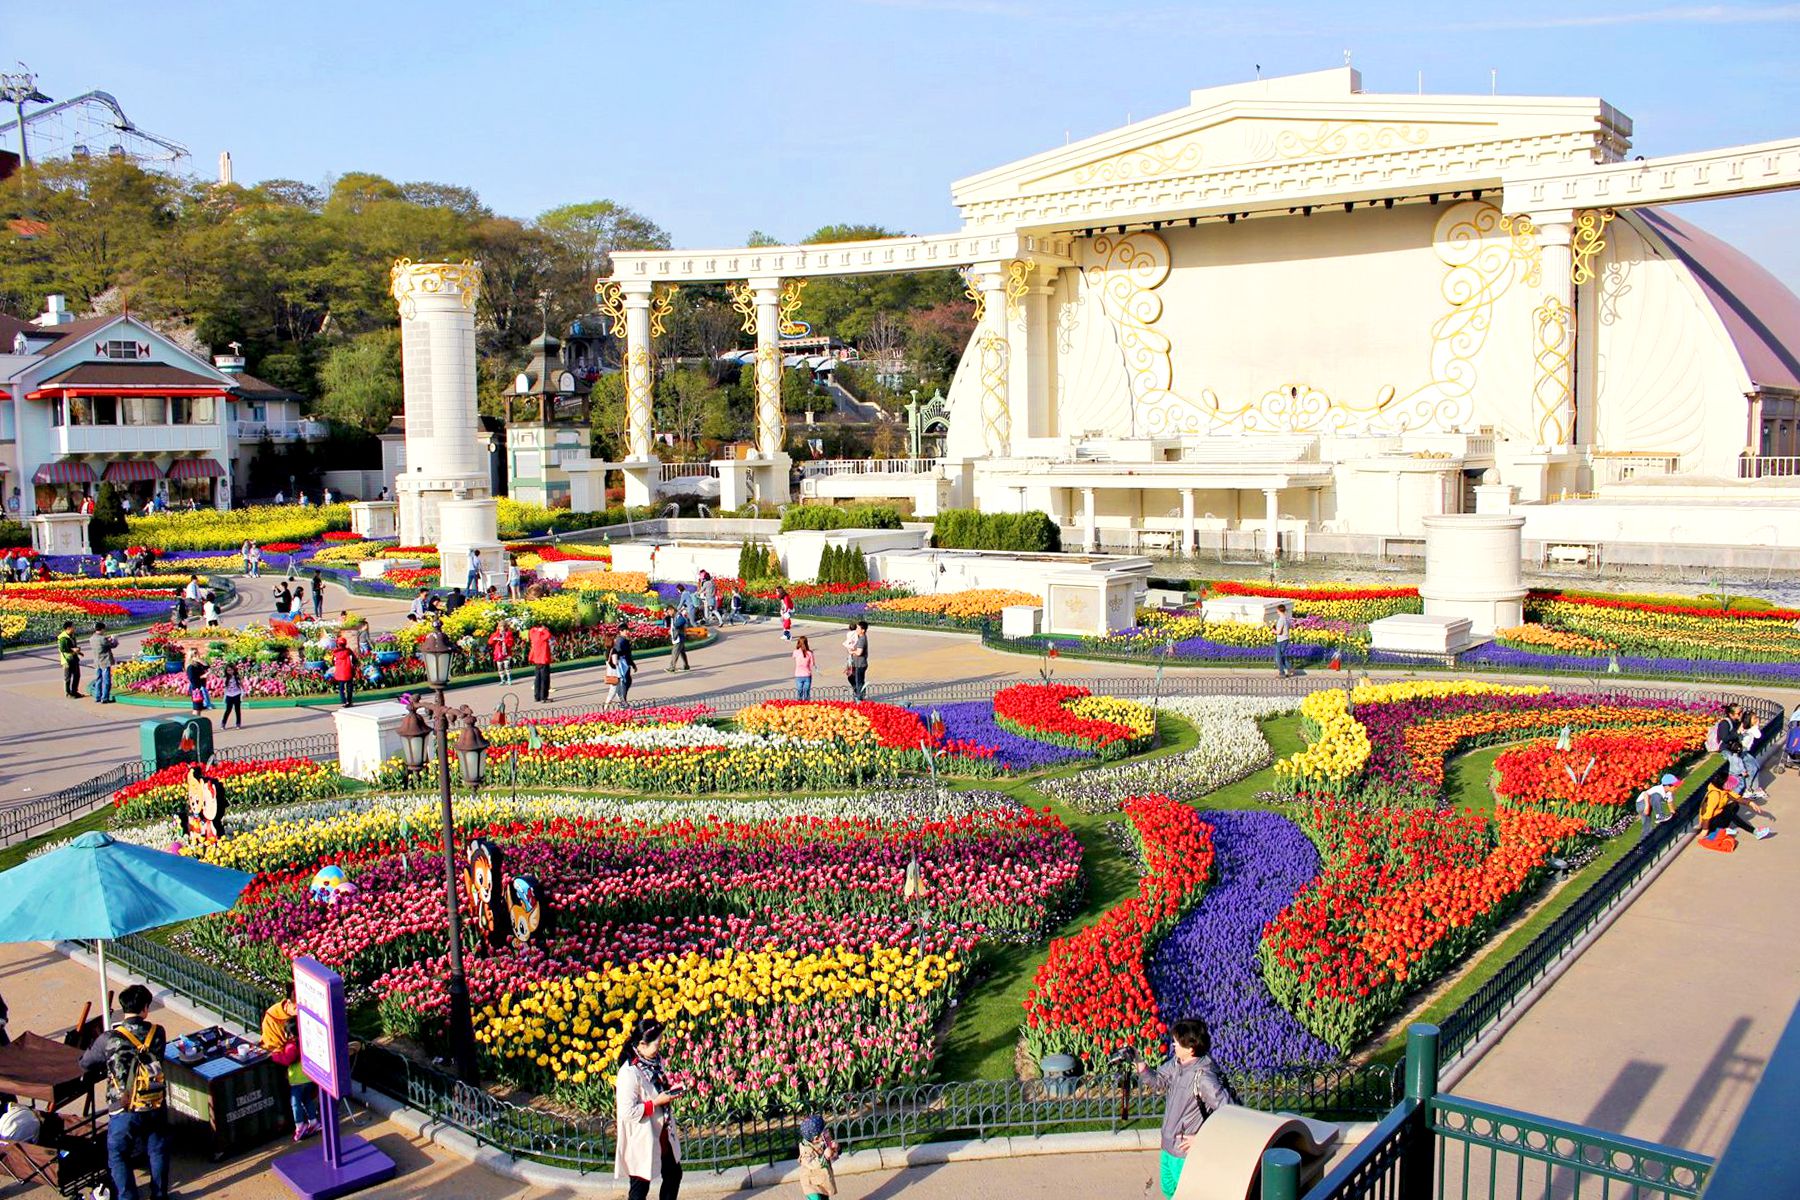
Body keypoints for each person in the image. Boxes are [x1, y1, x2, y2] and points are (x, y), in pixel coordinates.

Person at [78, 984, 169, 1200]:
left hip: (123, 1107)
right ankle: (159, 1195)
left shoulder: (109, 1038)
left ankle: (127, 1197)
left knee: (118, 1155)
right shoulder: (158, 1032)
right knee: (157, 1150)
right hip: (154, 1103)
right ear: (145, 1008)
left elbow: (85, 1063)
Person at [1145, 1018, 1234, 1199]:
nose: (1173, 1046)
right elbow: (1158, 1082)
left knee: (1188, 1195)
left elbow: (1229, 1113)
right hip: (1168, 1145)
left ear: (1191, 1049)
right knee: (1169, 1191)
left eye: (1177, 1043)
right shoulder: (1177, 1064)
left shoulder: (1204, 1078)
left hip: (1184, 1152)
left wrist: (1201, 1139)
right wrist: (1140, 1064)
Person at [614, 1017, 683, 1200]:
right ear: (642, 1044)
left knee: (674, 1175)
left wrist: (671, 1090)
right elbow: (627, 1112)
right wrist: (656, 1103)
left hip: (663, 1132)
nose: (660, 1047)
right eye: (657, 1043)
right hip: (642, 1137)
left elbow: (658, 1086)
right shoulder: (629, 1072)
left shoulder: (655, 1060)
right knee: (639, 1189)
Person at [262, 984, 320, 1141]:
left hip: (298, 1077)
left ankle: (300, 1125)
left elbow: (287, 1057)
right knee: (305, 1099)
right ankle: (311, 1121)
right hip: (296, 1072)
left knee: (297, 1102)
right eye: (296, 1008)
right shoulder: (273, 1016)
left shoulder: (293, 1044)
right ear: (288, 1003)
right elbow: (271, 1043)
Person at [1698, 775, 1774, 843]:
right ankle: (1755, 831)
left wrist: (1750, 803)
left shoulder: (1724, 790)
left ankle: (1722, 828)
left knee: (1735, 805)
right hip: (1709, 823)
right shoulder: (1714, 795)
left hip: (1717, 816)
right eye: (1729, 784)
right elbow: (1706, 814)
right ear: (1722, 784)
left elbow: (1737, 798)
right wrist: (1705, 830)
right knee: (1728, 813)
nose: (1732, 786)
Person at [798, 1113, 839, 1200]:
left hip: (823, 1179)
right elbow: (811, 1163)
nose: (827, 1133)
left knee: (824, 1197)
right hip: (810, 1182)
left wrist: (835, 1149)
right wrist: (825, 1156)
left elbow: (833, 1157)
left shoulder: (823, 1142)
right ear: (816, 1138)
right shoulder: (805, 1150)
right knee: (816, 1198)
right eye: (824, 1132)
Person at [1733, 710, 1768, 799]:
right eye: (1754, 718)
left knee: (1756, 767)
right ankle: (1747, 789)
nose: (1756, 719)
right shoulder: (1751, 729)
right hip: (1741, 751)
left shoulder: (1748, 728)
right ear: (1749, 719)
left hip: (1744, 751)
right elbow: (1758, 736)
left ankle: (1755, 788)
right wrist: (1756, 725)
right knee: (1752, 769)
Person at [1635, 773, 1679, 837]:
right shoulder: (1657, 789)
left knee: (1647, 827)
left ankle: (1644, 841)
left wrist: (1674, 814)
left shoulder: (1669, 793)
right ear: (1667, 786)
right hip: (1641, 804)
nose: (1676, 788)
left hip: (1649, 804)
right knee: (1656, 795)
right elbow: (1645, 794)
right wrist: (1647, 806)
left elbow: (1670, 805)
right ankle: (1659, 816)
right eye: (1674, 786)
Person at [90, 621, 118, 704]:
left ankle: (98, 697)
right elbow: (112, 645)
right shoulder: (102, 639)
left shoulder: (92, 638)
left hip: (97, 661)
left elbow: (103, 643)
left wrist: (108, 639)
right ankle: (105, 698)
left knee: (98, 680)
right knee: (106, 681)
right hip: (105, 661)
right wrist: (114, 639)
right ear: (102, 629)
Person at [528, 623, 554, 703]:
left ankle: (537, 696)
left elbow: (531, 631)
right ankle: (544, 697)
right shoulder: (542, 637)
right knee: (544, 679)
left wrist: (537, 629)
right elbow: (548, 634)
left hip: (537, 660)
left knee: (537, 679)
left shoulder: (533, 635)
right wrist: (543, 630)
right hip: (543, 659)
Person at [330, 637, 358, 707]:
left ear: (338, 644)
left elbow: (332, 662)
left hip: (339, 673)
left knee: (341, 688)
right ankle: (349, 701)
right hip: (348, 671)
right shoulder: (349, 652)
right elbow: (355, 661)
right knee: (349, 688)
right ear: (345, 644)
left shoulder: (335, 653)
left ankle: (343, 701)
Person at [57, 620, 81, 699]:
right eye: (73, 626)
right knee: (67, 678)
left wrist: (77, 650)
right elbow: (62, 649)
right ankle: (68, 693)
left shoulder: (72, 636)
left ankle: (74, 691)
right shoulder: (63, 638)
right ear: (68, 628)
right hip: (67, 660)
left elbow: (73, 646)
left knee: (77, 675)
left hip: (74, 658)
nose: (74, 628)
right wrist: (73, 649)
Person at [847, 620, 869, 701]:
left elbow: (859, 652)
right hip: (855, 663)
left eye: (858, 628)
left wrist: (852, 652)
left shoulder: (862, 639)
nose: (856, 629)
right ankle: (859, 692)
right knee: (850, 677)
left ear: (863, 630)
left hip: (860, 664)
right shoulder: (859, 637)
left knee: (859, 681)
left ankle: (859, 698)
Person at [613, 631, 636, 707]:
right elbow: (626, 654)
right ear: (621, 631)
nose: (627, 632)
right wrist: (632, 664)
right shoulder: (622, 641)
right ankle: (623, 701)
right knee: (626, 681)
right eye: (625, 630)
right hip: (624, 663)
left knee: (626, 681)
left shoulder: (619, 639)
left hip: (623, 663)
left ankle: (623, 700)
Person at [666, 604, 690, 673]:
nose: (668, 614)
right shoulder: (673, 617)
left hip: (679, 637)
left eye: (669, 612)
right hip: (678, 637)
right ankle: (686, 666)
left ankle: (672, 668)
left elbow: (683, 621)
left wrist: (676, 626)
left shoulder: (678, 615)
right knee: (682, 653)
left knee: (674, 652)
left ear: (672, 610)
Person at [185, 651, 210, 715]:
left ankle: (198, 720)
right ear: (191, 656)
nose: (198, 656)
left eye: (198, 654)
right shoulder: (190, 667)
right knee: (196, 708)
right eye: (195, 655)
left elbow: (207, 666)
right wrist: (203, 676)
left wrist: (201, 660)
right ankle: (195, 720)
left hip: (201, 687)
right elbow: (192, 679)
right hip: (195, 689)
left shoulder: (198, 665)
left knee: (200, 707)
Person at [1273, 602, 1293, 678]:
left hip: (1281, 640)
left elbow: (1279, 632)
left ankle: (1282, 673)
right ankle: (1290, 669)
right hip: (1286, 638)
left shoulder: (1281, 620)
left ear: (1278, 610)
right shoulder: (1286, 618)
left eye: (1277, 610)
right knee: (1282, 656)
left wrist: (1273, 631)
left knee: (1278, 657)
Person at [221, 662, 245, 728]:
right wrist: (224, 697)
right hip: (229, 695)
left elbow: (241, 685)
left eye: (231, 670)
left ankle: (238, 723)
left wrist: (243, 692)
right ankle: (223, 723)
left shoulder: (237, 677)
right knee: (228, 710)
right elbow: (225, 688)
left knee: (237, 710)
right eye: (228, 670)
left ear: (234, 670)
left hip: (237, 694)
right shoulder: (225, 678)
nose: (230, 671)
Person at [793, 635, 815, 700]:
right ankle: (806, 703)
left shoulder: (795, 652)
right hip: (807, 674)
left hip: (798, 675)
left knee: (799, 692)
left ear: (798, 643)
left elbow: (794, 657)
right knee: (806, 693)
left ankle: (799, 703)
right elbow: (812, 664)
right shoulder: (809, 653)